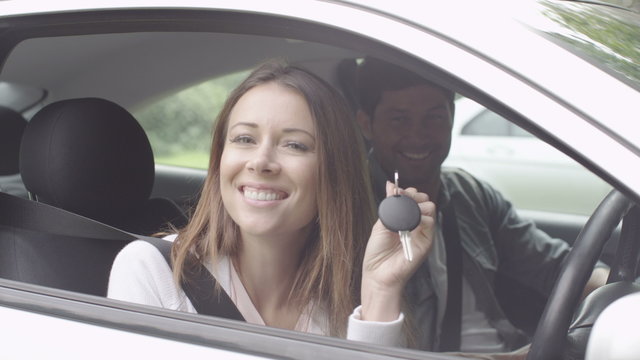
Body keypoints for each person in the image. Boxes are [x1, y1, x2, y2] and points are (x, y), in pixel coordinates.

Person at [108, 61, 436, 344]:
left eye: (294, 145)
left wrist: (380, 289)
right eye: (245, 139)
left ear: (335, 173)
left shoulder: (349, 305)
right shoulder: (152, 272)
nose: (261, 162)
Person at [353, 57, 609, 355]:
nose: (418, 135)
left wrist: (612, 289)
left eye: (434, 117)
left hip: (509, 348)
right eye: (399, 119)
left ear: (452, 117)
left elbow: (556, 268)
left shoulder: (471, 194)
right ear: (366, 124)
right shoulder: (349, 208)